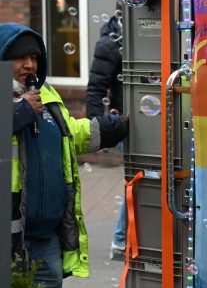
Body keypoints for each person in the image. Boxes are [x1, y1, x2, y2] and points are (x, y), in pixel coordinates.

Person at [4, 23, 129, 287]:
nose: (29, 65)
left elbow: (70, 134)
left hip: (46, 236)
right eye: (20, 58)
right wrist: (21, 111)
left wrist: (113, 127)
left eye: (34, 57)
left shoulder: (45, 94)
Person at [84, 15, 128, 260]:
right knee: (140, 179)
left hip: (143, 118)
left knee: (142, 178)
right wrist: (95, 129)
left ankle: (124, 239)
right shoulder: (110, 43)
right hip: (124, 122)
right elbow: (96, 88)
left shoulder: (143, 36)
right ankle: (120, 241)